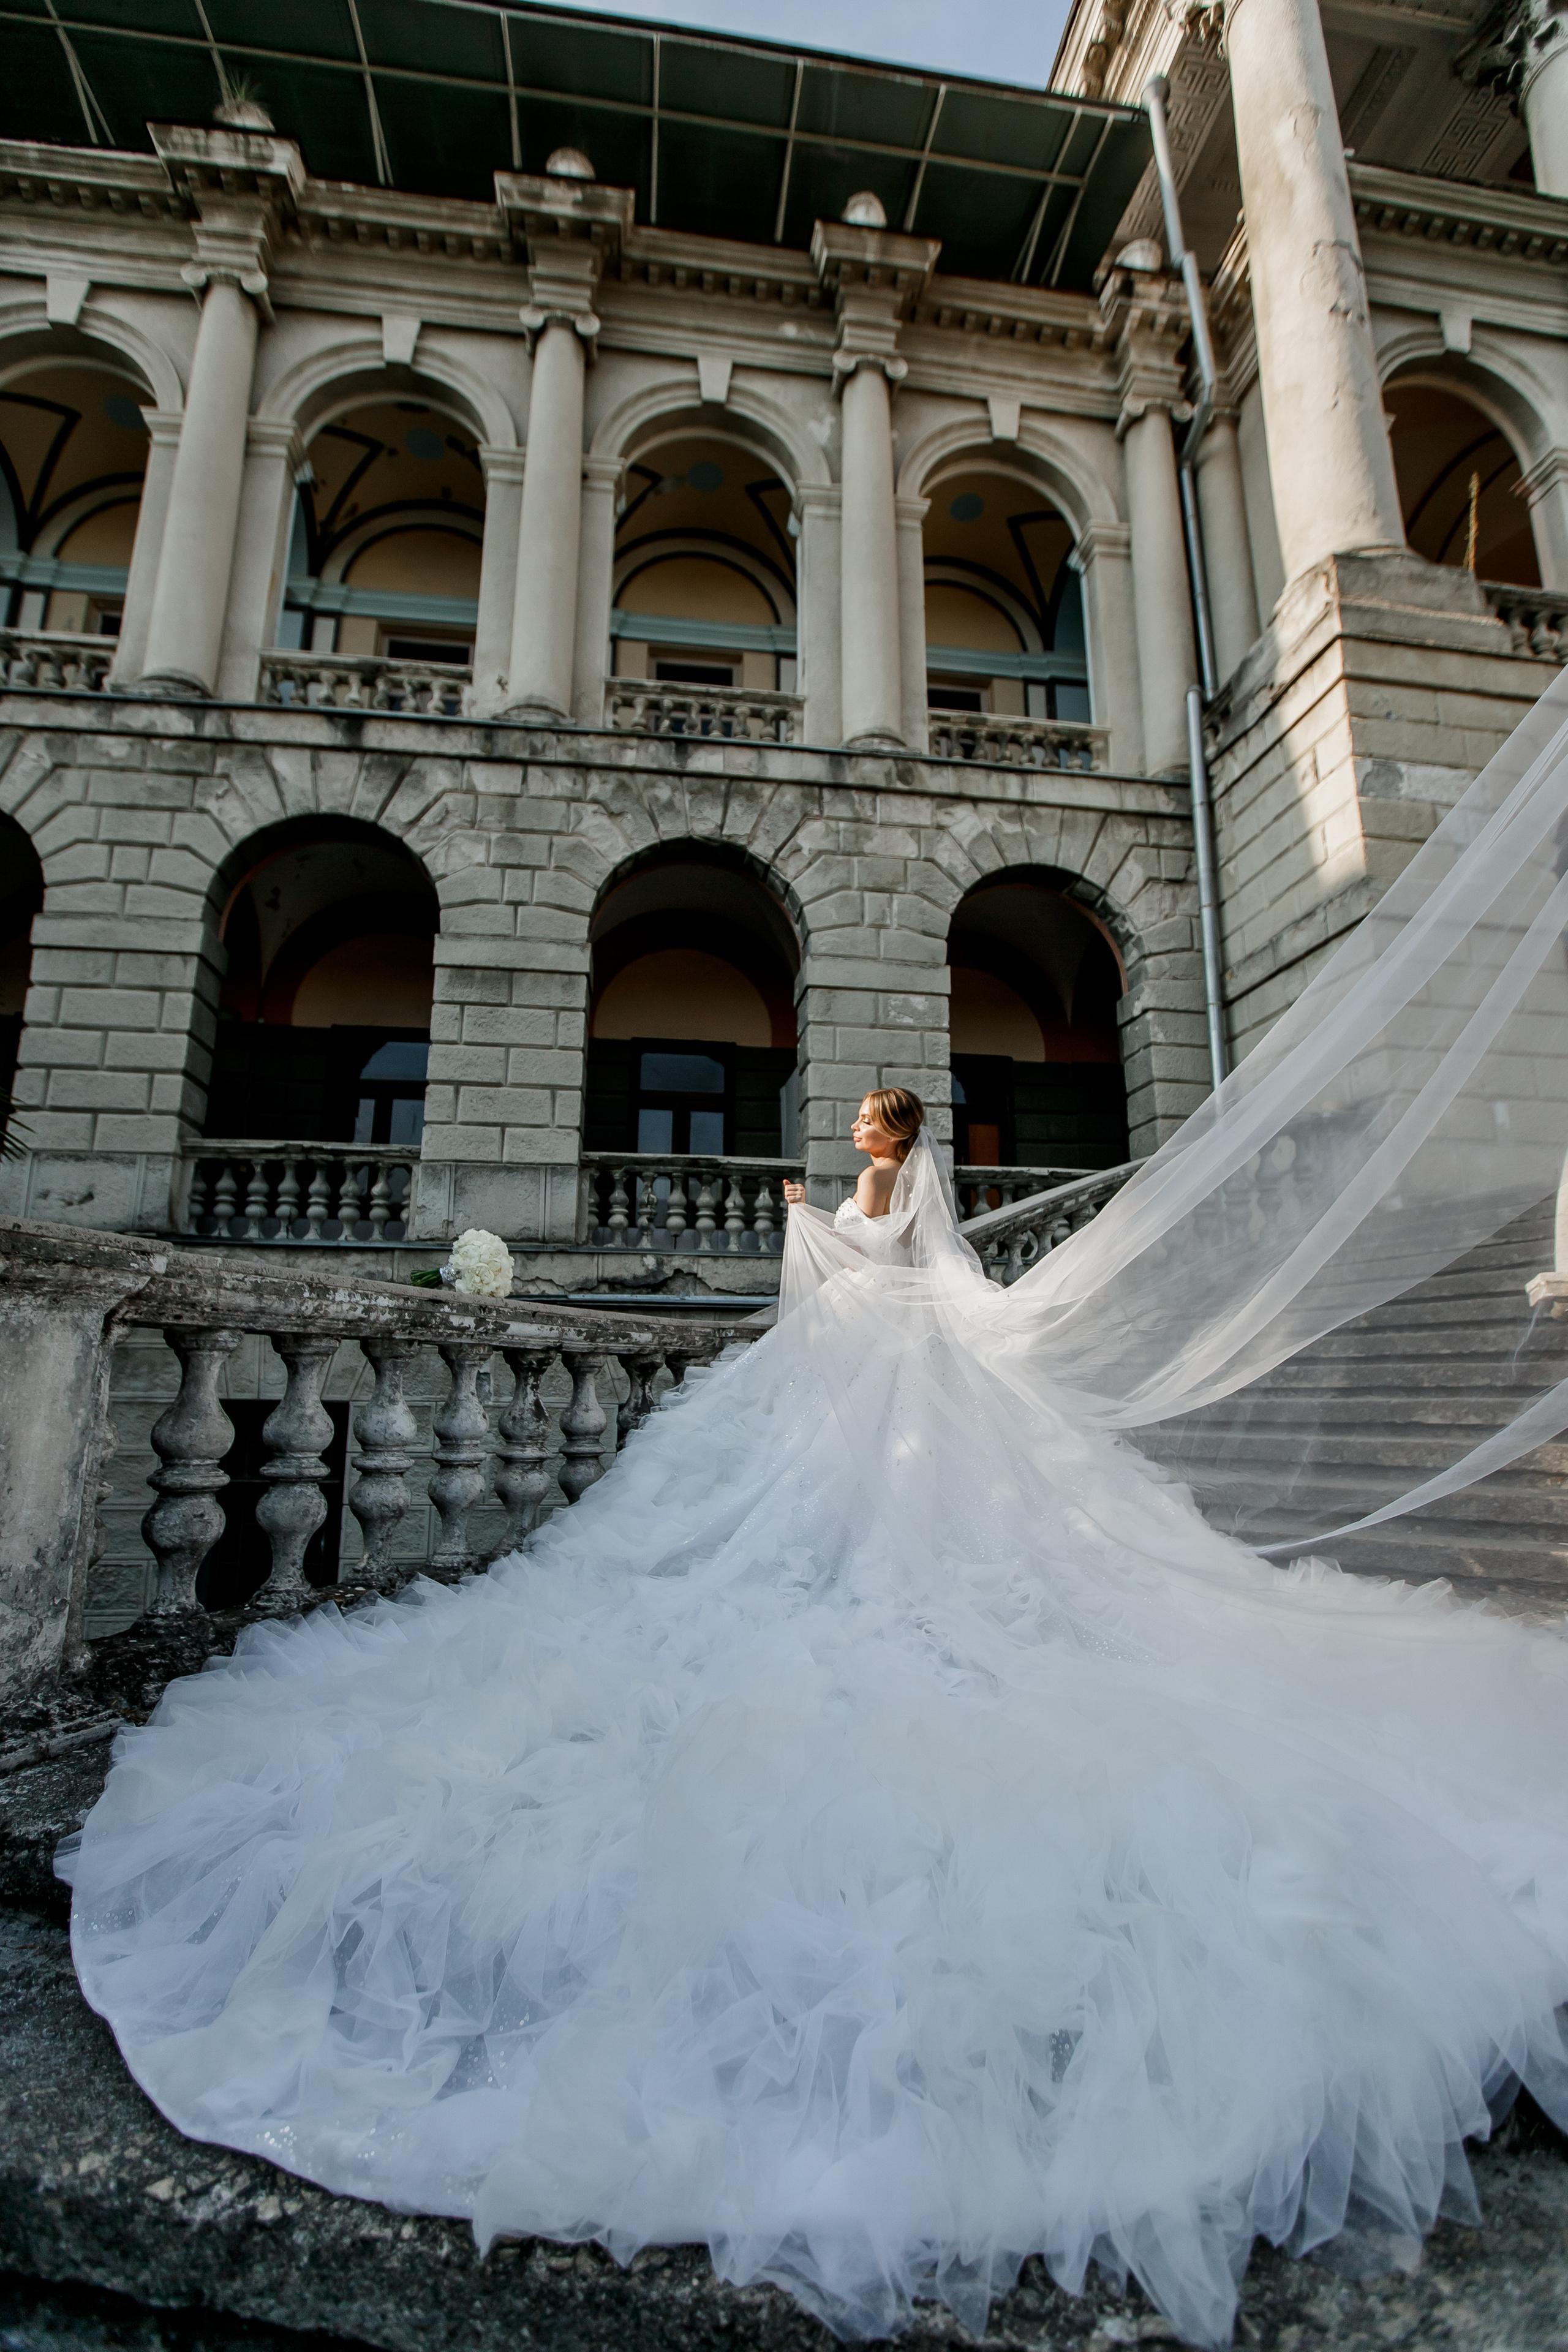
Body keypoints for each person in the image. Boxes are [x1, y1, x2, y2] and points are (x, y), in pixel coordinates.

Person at [59, 677, 1568, 2350]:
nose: (859, 1135)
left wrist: (794, 1213)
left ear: (884, 1136)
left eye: (863, 1126)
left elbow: (863, 1267)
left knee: (809, 1567)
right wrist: (820, 1224)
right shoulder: (921, 1189)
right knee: (906, 1565)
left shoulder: (870, 1187)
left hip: (877, 1392)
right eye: (861, 1133)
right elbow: (917, 1272)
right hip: (914, 1394)